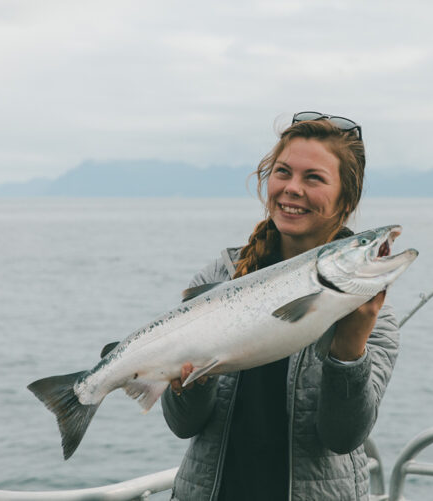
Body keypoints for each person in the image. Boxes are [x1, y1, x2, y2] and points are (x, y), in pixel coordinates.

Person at [161, 111, 400, 501]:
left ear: (346, 200)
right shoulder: (219, 277)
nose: (292, 188)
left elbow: (341, 438)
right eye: (283, 172)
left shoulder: (375, 318)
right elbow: (183, 425)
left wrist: (350, 350)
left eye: (314, 178)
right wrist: (191, 384)